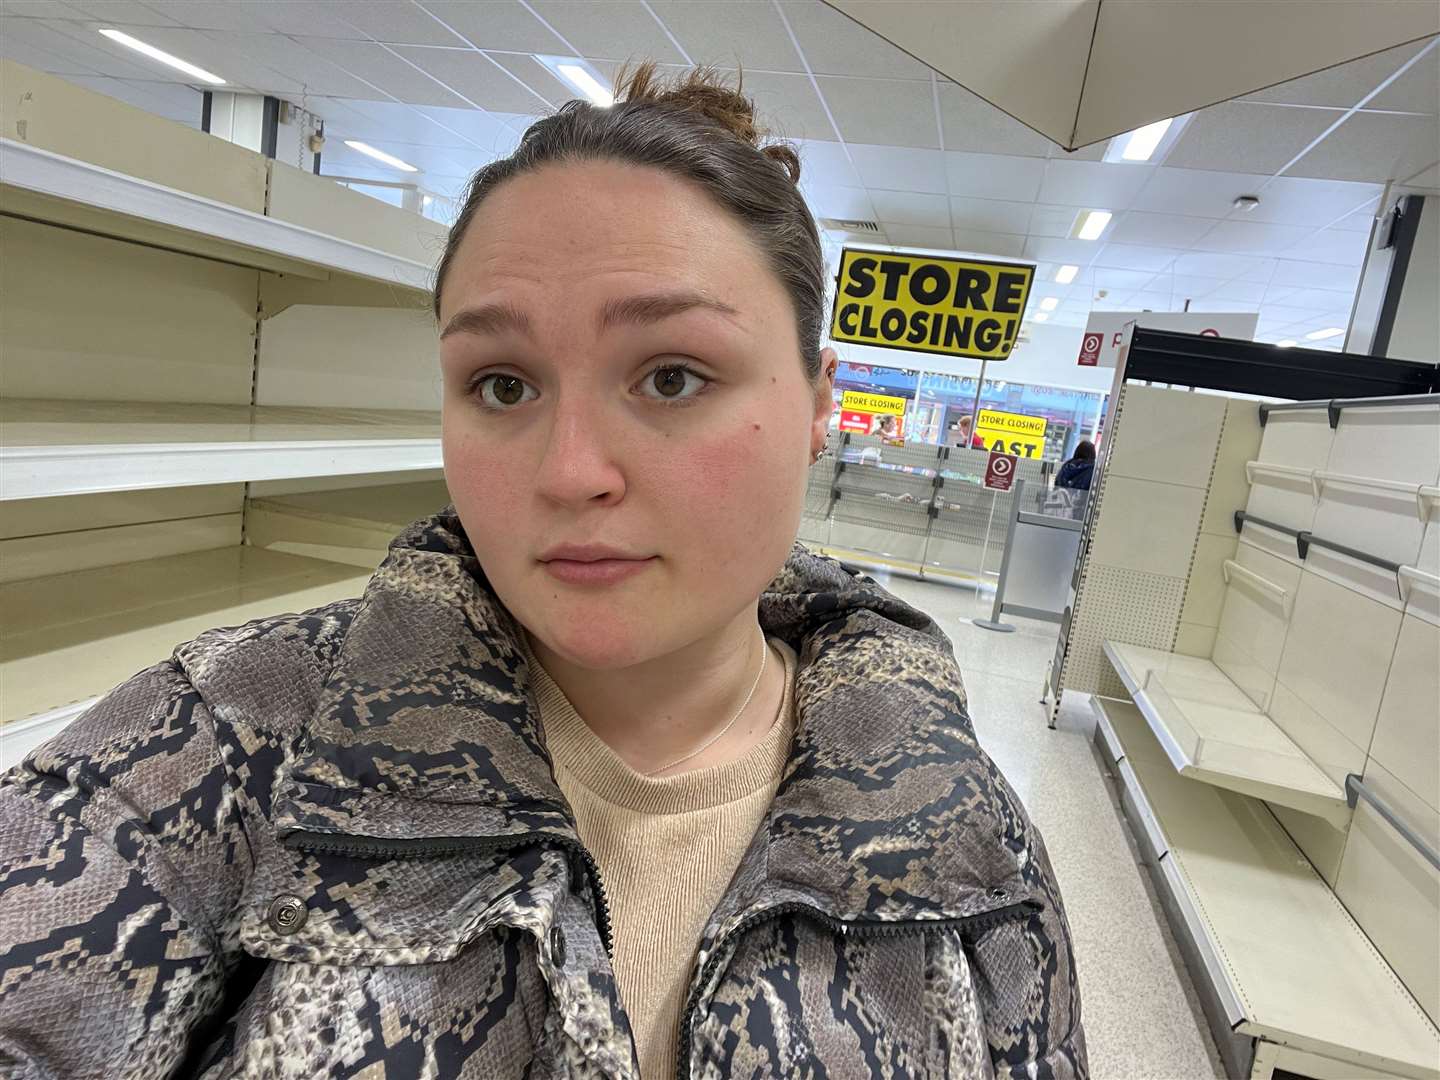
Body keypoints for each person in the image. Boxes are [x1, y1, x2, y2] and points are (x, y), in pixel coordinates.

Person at [0, 65, 1086, 1080]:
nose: (571, 473)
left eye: (671, 375)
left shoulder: (969, 852)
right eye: (504, 385)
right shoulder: (225, 745)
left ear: (816, 406)